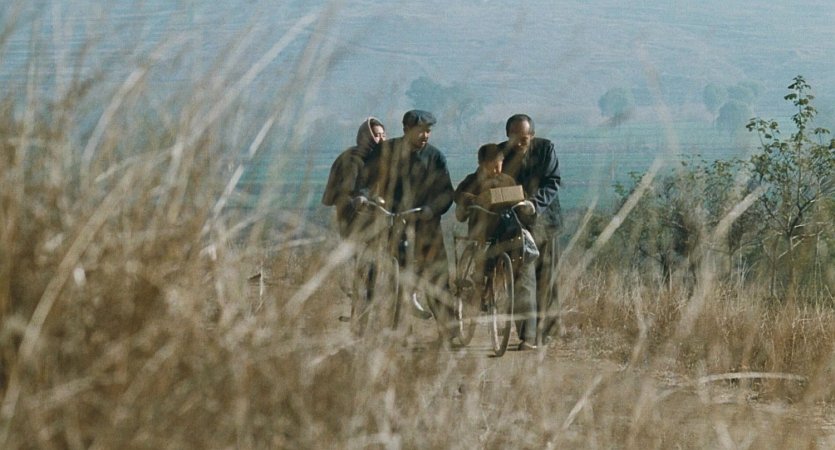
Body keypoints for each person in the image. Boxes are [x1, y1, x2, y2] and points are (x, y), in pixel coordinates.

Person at [366, 110, 456, 344]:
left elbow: (447, 193)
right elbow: (365, 179)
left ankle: (449, 330)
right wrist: (366, 198)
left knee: (437, 276)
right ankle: (396, 329)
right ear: (406, 130)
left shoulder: (435, 157)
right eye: (420, 131)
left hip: (427, 223)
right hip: (392, 220)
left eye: (428, 131)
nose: (425, 135)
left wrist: (432, 209)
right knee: (392, 275)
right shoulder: (386, 151)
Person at [453, 143, 538, 350]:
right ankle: (477, 289)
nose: (496, 169)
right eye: (492, 165)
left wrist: (524, 203)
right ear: (482, 164)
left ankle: (527, 334)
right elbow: (459, 197)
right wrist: (474, 200)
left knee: (522, 274)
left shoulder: (507, 180)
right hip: (483, 233)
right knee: (482, 266)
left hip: (506, 232)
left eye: (499, 163)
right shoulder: (472, 181)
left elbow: (520, 196)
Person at [498, 114, 562, 347]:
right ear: (507, 135)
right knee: (522, 279)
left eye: (524, 138)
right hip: (515, 224)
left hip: (544, 221)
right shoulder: (500, 153)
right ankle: (528, 335)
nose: (518, 142)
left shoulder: (545, 149)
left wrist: (534, 203)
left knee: (546, 278)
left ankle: (548, 332)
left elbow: (552, 181)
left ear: (532, 136)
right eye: (514, 137)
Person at [321, 117, 386, 321]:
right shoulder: (352, 160)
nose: (381, 139)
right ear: (366, 137)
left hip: (375, 214)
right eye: (377, 135)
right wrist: (357, 199)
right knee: (363, 263)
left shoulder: (380, 160)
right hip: (352, 217)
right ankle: (360, 310)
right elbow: (345, 191)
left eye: (383, 135)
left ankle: (372, 308)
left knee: (377, 263)